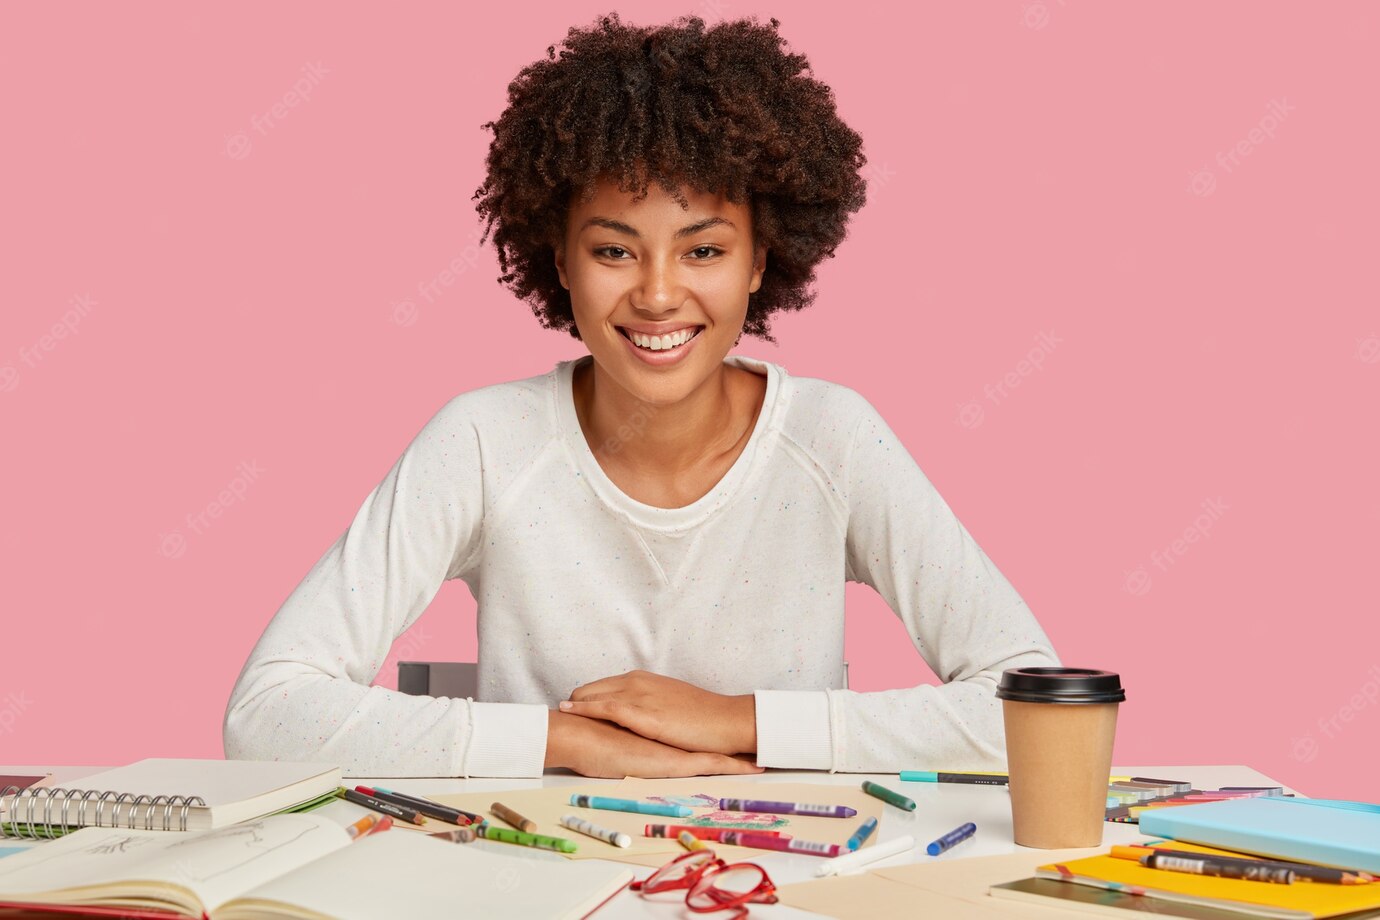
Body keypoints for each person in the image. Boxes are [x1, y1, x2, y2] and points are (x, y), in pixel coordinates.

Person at [223, 12, 1061, 779]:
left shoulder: (832, 439)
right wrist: (575, 743)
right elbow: (267, 711)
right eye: (615, 252)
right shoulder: (485, 440)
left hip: (778, 869)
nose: (659, 297)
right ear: (559, 259)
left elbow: (1037, 706)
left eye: (703, 252)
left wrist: (738, 723)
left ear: (761, 260)